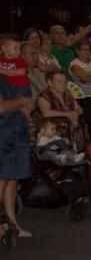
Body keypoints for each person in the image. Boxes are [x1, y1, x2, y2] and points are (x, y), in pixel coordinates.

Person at [0, 94, 33, 239]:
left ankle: (12, 222)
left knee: (12, 176)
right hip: (3, 133)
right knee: (2, 179)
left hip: (13, 129)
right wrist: (21, 101)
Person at [35, 69, 87, 152]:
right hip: (53, 136)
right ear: (50, 82)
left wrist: (76, 112)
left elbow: (79, 108)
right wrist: (67, 114)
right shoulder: (44, 96)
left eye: (65, 81)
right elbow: (46, 113)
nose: (63, 84)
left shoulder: (68, 93)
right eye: (59, 81)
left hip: (73, 132)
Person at [0, 34, 32, 101]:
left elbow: (22, 71)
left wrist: (3, 71)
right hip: (9, 86)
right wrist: (11, 72)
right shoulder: (1, 59)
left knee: (17, 103)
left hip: (21, 86)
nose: (19, 51)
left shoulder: (18, 60)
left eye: (19, 48)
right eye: (15, 48)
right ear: (4, 48)